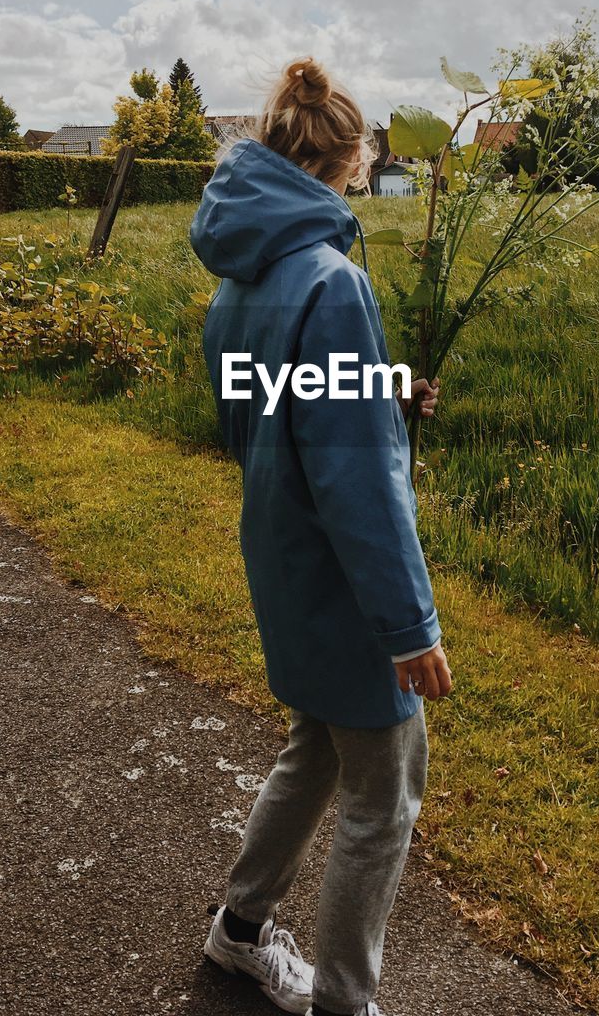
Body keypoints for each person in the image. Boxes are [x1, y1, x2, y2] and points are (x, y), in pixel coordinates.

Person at [189, 56, 453, 1016]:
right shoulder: (333, 281)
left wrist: (380, 387)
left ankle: (239, 930)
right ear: (347, 163)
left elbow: (262, 412)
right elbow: (355, 480)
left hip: (282, 556)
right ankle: (346, 1001)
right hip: (346, 581)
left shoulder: (241, 278)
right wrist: (409, 624)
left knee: (314, 746)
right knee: (383, 794)